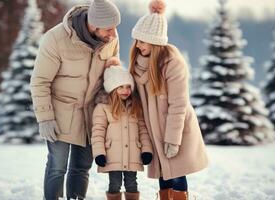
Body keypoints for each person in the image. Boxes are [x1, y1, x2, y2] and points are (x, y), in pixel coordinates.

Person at [29, 0, 120, 199]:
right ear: (93, 25)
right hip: (60, 113)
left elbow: (111, 75)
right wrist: (45, 118)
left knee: (81, 168)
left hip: (90, 115)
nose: (113, 34)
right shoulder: (55, 38)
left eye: (115, 29)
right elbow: (40, 81)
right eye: (109, 29)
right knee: (57, 166)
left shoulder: (110, 40)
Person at [129, 0, 209, 199]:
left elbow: (178, 104)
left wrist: (173, 139)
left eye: (142, 41)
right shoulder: (137, 64)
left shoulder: (172, 63)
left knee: (176, 172)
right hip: (153, 128)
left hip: (176, 128)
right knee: (163, 173)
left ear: (155, 42)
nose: (138, 46)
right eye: (137, 40)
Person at [91, 61, 153, 200]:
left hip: (132, 155)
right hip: (112, 156)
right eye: (120, 87)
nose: (125, 91)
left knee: (132, 183)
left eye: (128, 87)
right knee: (115, 183)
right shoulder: (103, 107)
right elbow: (98, 132)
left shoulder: (136, 107)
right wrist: (99, 153)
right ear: (112, 88)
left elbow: (143, 130)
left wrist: (146, 150)